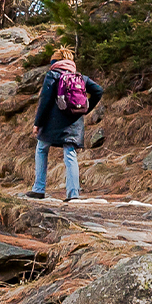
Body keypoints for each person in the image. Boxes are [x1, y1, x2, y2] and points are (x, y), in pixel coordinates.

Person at [28, 47, 103, 201]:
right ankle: (73, 193)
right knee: (70, 155)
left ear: (55, 62)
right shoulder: (80, 77)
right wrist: (86, 109)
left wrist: (37, 123)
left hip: (52, 123)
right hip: (74, 122)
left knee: (42, 149)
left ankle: (39, 188)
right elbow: (98, 90)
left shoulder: (53, 75)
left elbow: (45, 101)